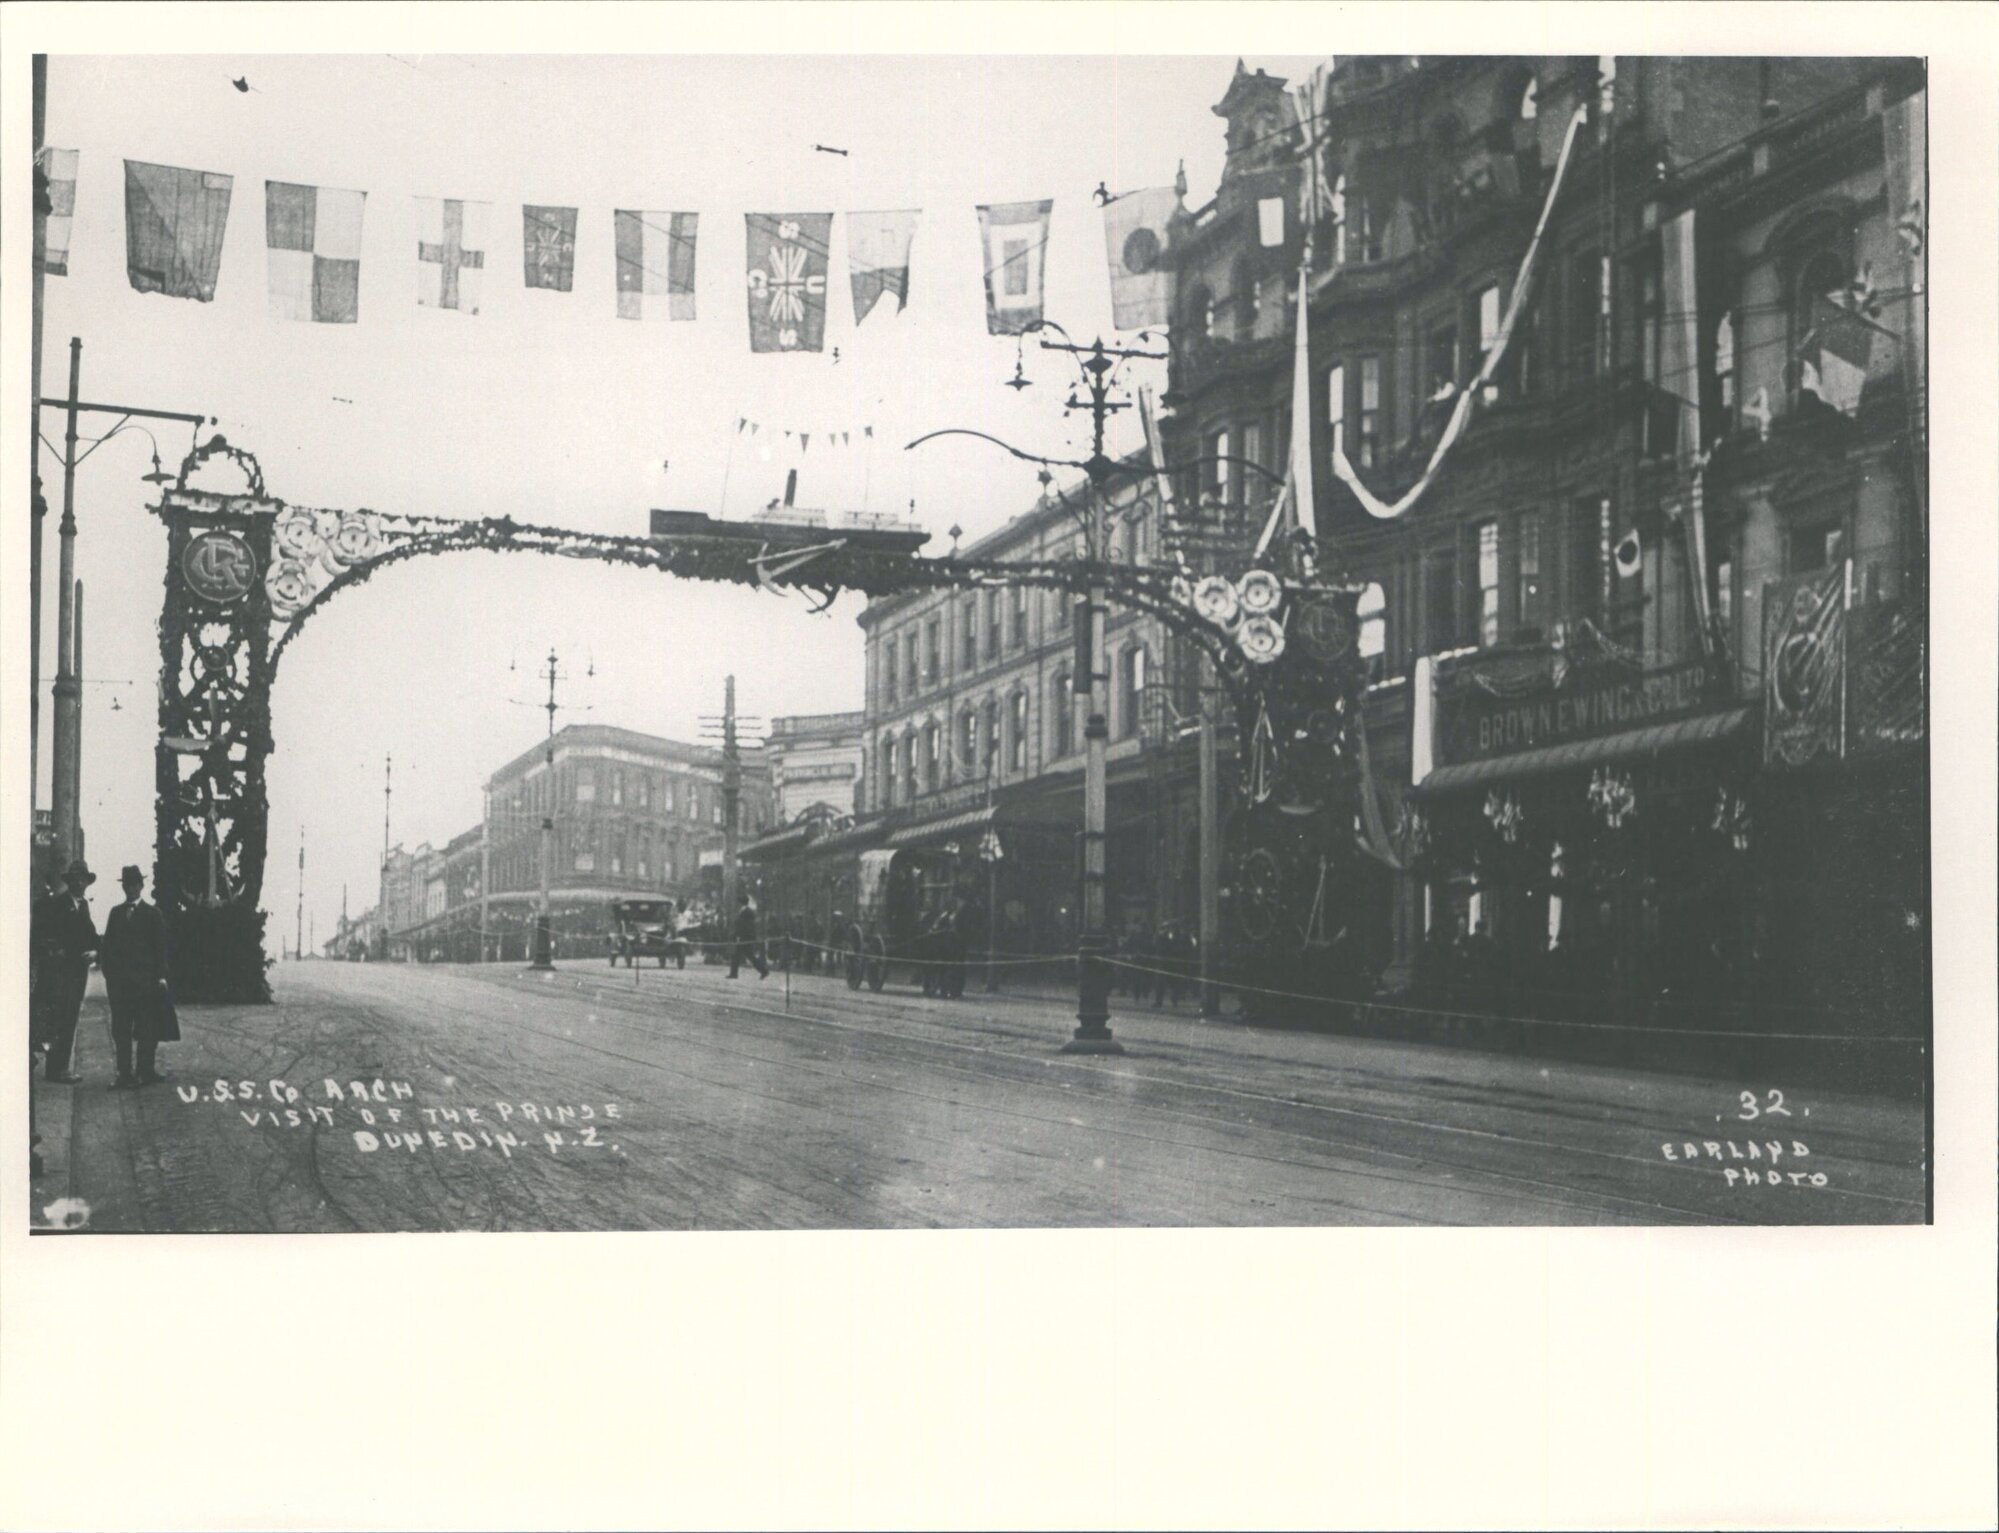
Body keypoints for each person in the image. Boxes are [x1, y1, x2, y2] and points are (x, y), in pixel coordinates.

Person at [99, 865, 177, 1087]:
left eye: (135, 884)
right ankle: (125, 1075)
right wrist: (109, 977)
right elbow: (108, 947)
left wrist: (161, 976)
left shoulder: (153, 914)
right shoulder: (115, 913)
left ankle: (146, 1071)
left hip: (146, 984)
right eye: (127, 884)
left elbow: (160, 948)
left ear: (141, 886)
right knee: (121, 1030)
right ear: (123, 887)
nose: (131, 888)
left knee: (147, 1029)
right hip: (120, 986)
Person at [32, 858, 99, 1084]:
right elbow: (45, 936)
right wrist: (56, 952)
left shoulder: (83, 905)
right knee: (59, 1019)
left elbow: (90, 934)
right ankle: (56, 1069)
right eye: (76, 879)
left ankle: (60, 1067)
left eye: (83, 880)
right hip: (60, 974)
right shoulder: (58, 905)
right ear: (70, 881)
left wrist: (96, 951)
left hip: (77, 973)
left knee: (69, 1018)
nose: (80, 884)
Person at [727, 894, 768, 980]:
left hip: (745, 937)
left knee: (745, 955)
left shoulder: (746, 912)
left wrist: (738, 935)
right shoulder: (745, 911)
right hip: (744, 937)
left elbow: (744, 926)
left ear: (741, 902)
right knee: (743, 955)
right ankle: (734, 973)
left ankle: (763, 971)